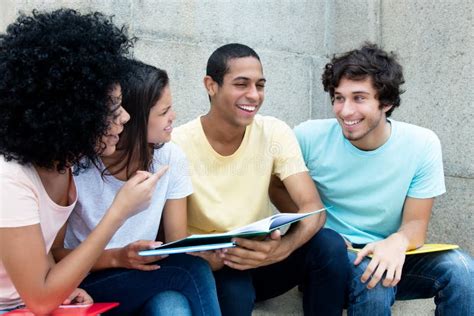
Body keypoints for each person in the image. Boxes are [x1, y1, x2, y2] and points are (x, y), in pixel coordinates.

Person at [270, 43, 474, 315]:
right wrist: (317, 228)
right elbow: (275, 184)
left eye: (359, 98)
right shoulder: (308, 137)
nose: (345, 111)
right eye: (339, 98)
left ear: (386, 102)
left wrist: (396, 243)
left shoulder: (422, 144)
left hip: (390, 251)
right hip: (334, 256)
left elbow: (415, 224)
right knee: (373, 277)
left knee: (462, 270)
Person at [0, 9, 164, 315]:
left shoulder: (62, 164)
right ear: (72, 115)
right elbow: (39, 300)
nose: (125, 118)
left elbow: (43, 256)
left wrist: (66, 286)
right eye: (114, 109)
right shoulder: (9, 179)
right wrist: (119, 211)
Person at [172, 43, 349, 316]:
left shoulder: (274, 132)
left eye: (260, 85)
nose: (253, 95)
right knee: (234, 290)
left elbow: (313, 209)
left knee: (330, 244)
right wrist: (212, 259)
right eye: (241, 84)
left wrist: (281, 249)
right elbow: (174, 236)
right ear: (211, 85)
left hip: (263, 256)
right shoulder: (178, 145)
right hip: (214, 264)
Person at [52, 60, 221, 315]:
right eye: (164, 112)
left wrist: (221, 251)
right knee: (190, 271)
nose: (172, 117)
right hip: (86, 283)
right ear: (134, 119)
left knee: (172, 306)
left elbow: (176, 246)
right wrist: (118, 257)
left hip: (144, 280)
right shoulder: (77, 165)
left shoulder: (171, 158)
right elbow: (54, 254)